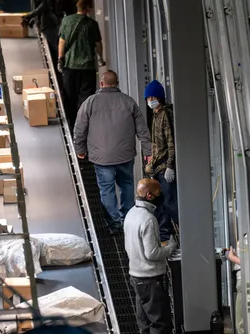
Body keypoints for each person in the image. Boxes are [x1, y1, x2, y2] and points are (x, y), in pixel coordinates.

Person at [74, 70, 152, 234]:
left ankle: (115, 224)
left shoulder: (90, 102)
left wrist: (80, 149)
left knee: (107, 190)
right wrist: (147, 150)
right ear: (117, 84)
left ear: (101, 84)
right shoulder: (128, 102)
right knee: (127, 185)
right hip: (125, 155)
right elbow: (143, 130)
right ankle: (128, 220)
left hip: (102, 158)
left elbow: (80, 128)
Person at [125, 178, 177, 334]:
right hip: (150, 280)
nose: (160, 195)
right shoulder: (148, 219)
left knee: (145, 323)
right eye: (158, 193)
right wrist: (170, 247)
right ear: (149, 195)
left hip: (136, 276)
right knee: (160, 323)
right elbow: (152, 254)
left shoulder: (131, 213)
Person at [57, 0, 106, 133]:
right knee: (86, 99)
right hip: (87, 67)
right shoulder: (92, 24)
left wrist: (60, 59)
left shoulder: (67, 21)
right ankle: (84, 127)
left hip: (70, 67)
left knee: (70, 97)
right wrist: (100, 58)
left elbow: (62, 42)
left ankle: (72, 127)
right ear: (88, 7)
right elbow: (98, 44)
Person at [144, 80, 178, 243]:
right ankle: (165, 235)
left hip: (165, 167)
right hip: (158, 167)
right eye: (148, 98)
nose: (150, 100)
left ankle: (182, 231)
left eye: (153, 97)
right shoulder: (156, 114)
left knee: (171, 203)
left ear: (160, 98)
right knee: (161, 203)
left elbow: (171, 143)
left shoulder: (164, 115)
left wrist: (170, 166)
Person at [22, 0, 75, 87]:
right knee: (54, 49)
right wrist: (33, 18)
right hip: (50, 22)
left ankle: (62, 74)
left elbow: (44, 6)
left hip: (50, 24)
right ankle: (60, 75)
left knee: (56, 48)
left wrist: (30, 16)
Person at [226, 235, 246, 334]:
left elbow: (248, 262)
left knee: (240, 324)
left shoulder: (247, 236)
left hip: (244, 281)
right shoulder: (245, 235)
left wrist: (232, 257)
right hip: (242, 281)